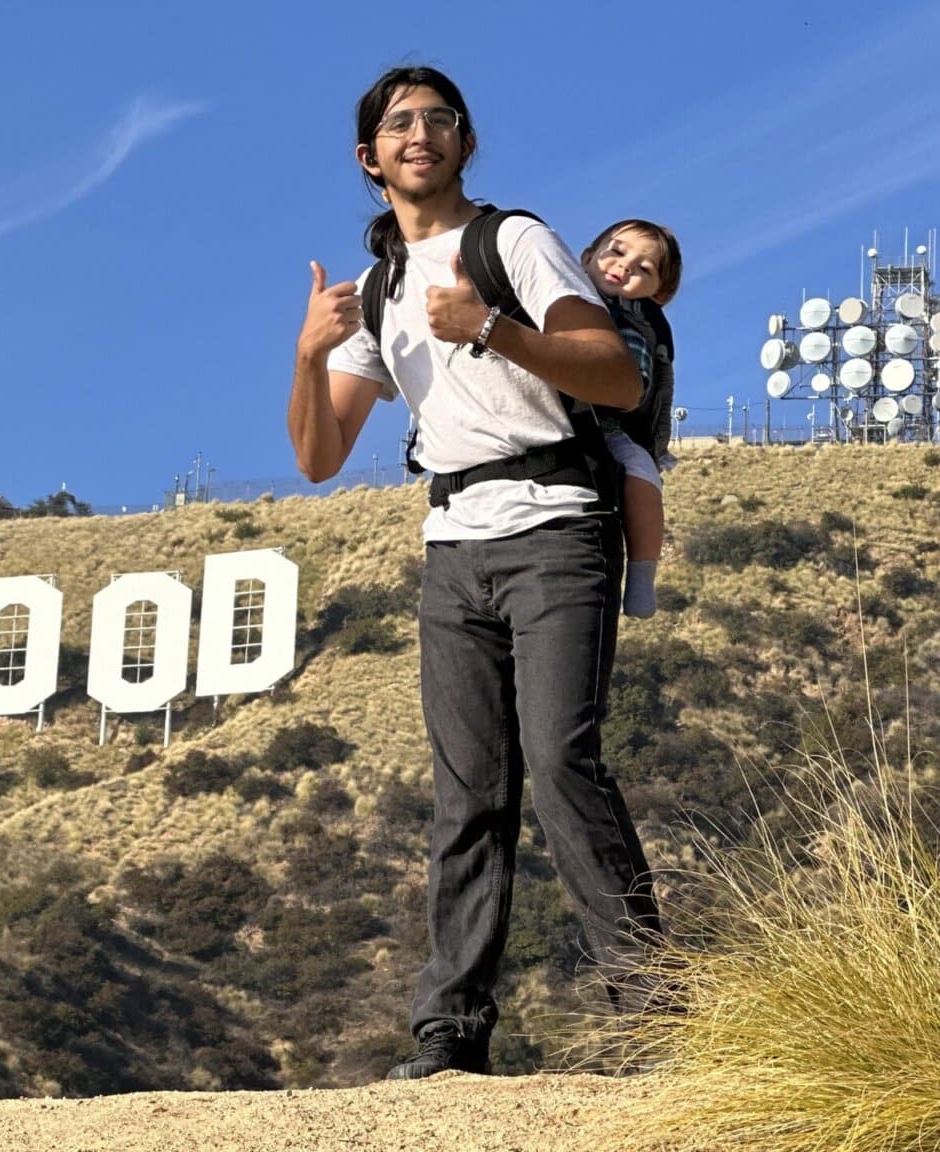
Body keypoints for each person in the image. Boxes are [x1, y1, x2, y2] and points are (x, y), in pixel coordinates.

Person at [288, 67, 667, 1080]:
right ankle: (449, 1033)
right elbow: (319, 457)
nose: (420, 132)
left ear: (462, 143)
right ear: (368, 158)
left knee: (560, 765)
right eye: (398, 123)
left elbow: (614, 373)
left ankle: (655, 1013)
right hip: (450, 542)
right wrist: (306, 351)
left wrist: (493, 329)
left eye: (438, 119)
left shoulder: (513, 241)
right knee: (467, 794)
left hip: (554, 523)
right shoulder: (375, 288)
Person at [582, 220, 683, 618]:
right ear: (589, 255)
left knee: (642, 471)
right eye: (618, 251)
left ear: (657, 293)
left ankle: (642, 571)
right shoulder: (551, 299)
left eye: (644, 269)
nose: (625, 267)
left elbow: (631, 390)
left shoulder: (638, 330)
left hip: (609, 426)